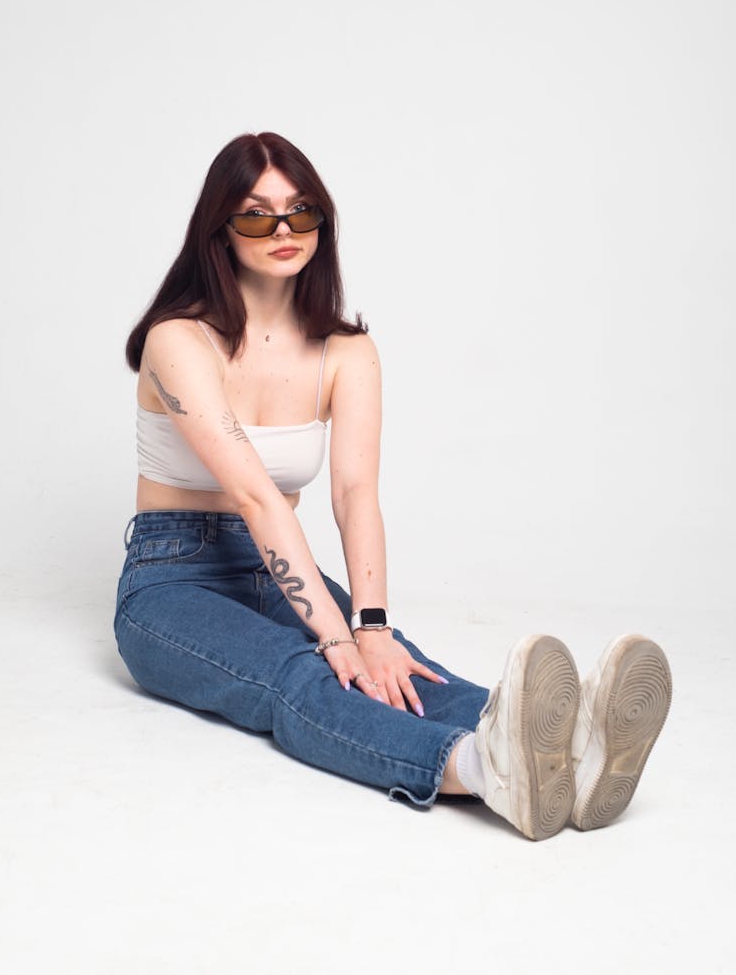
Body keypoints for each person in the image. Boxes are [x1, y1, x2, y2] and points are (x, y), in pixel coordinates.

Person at [114, 131, 672, 840]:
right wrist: (338, 638)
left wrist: (371, 627)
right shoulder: (178, 339)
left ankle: (572, 751)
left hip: (271, 568)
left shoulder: (346, 351)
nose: (284, 230)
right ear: (220, 231)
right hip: (169, 583)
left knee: (401, 663)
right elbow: (256, 499)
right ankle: (479, 768)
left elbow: (354, 495)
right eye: (257, 215)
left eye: (302, 211)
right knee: (302, 671)